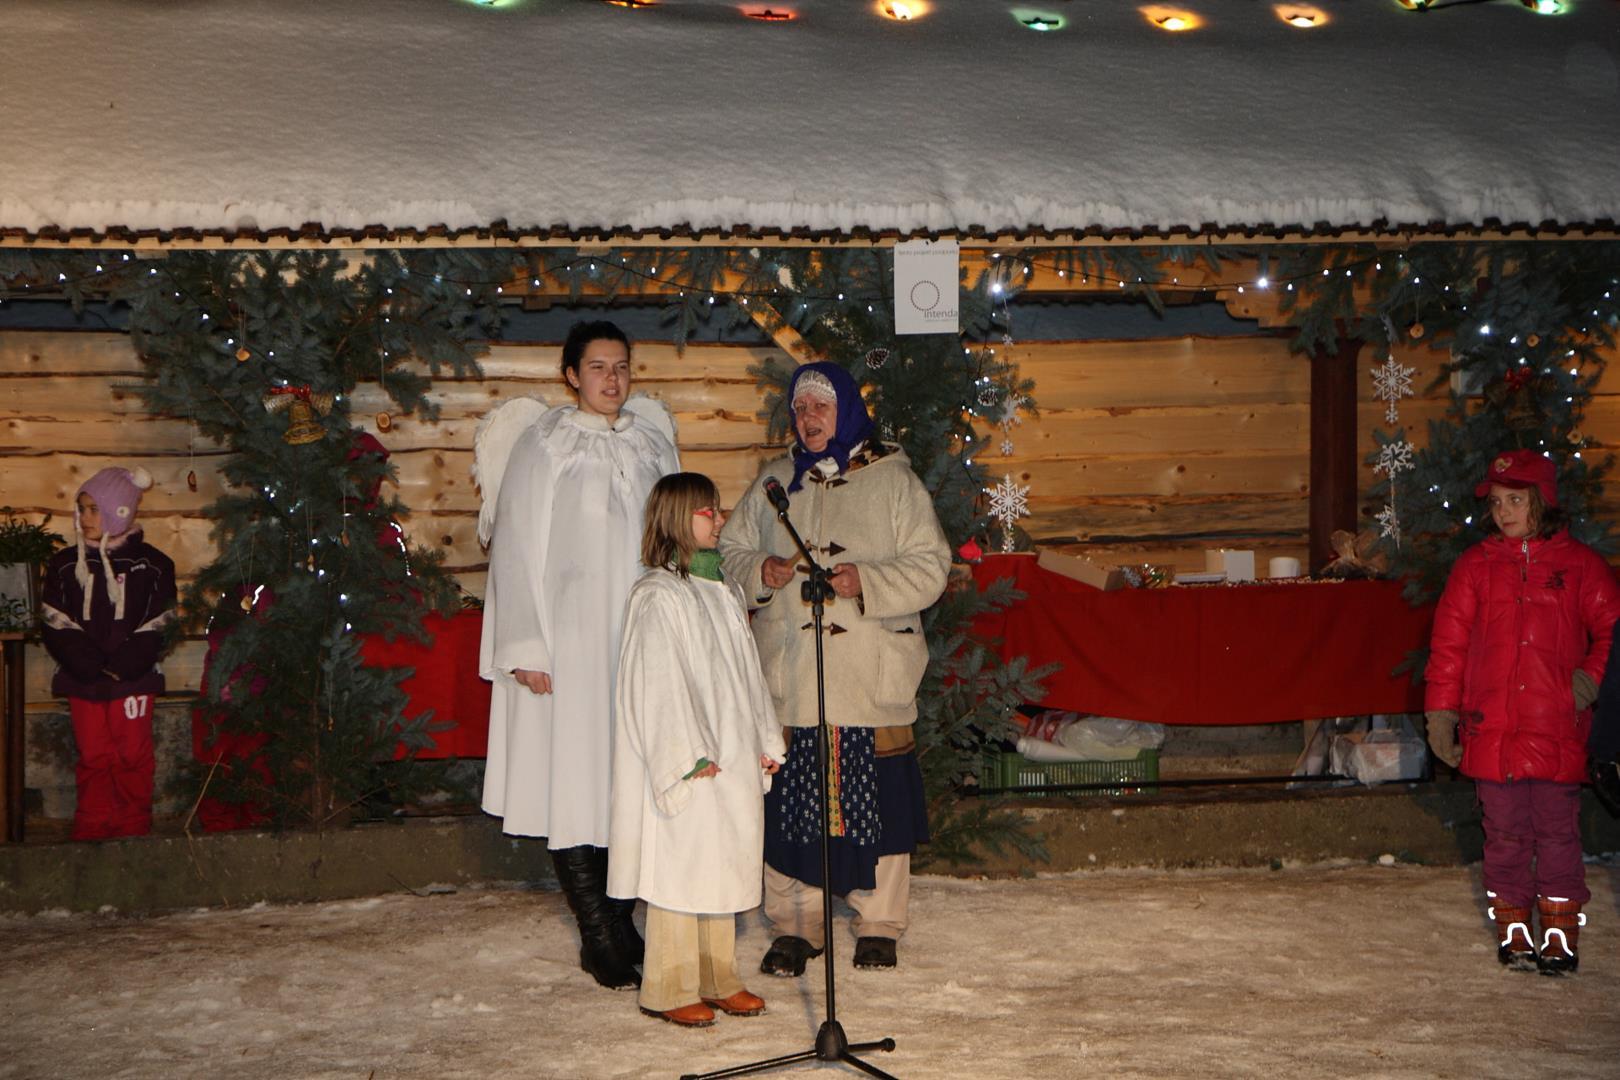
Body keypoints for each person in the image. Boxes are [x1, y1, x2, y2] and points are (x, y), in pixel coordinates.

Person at [718, 360, 950, 975]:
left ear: (845, 410)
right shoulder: (775, 483)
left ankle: (879, 922)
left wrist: (865, 580)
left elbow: (932, 566)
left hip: (870, 672)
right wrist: (760, 571)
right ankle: (797, 925)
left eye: (820, 406)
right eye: (800, 409)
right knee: (790, 800)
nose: (808, 418)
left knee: (881, 798)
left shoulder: (894, 481)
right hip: (791, 672)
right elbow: (729, 550)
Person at [477, 320, 679, 991]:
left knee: (628, 780)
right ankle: (598, 934)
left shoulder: (652, 443)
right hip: (569, 643)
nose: (611, 380)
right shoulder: (545, 444)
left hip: (639, 638)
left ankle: (621, 922)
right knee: (575, 780)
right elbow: (514, 545)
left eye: (621, 366)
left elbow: (676, 535)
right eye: (597, 367)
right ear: (571, 375)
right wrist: (525, 646)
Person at [1425, 448, 1620, 976]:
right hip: (1493, 731)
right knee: (1504, 835)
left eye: (1516, 501)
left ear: (1543, 500)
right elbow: (1448, 647)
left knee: (1557, 835)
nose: (1503, 512)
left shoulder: (1581, 567)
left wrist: (1588, 681)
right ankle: (1512, 926)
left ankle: (1559, 930)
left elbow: (1613, 631)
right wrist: (1441, 714)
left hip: (1556, 727)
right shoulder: (1475, 568)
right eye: (1496, 502)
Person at [607, 472, 788, 1027]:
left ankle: (718, 976)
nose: (719, 519)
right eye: (708, 511)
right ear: (676, 519)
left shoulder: (723, 588)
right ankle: (668, 985)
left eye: (717, 509)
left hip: (731, 751)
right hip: (691, 758)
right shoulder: (658, 595)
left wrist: (763, 738)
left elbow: (747, 673)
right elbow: (655, 682)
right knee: (683, 867)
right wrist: (686, 755)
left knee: (720, 863)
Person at [40, 466, 177, 841]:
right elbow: (54, 618)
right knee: (93, 755)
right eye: (81, 508)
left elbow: (162, 619)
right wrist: (87, 664)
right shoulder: (64, 565)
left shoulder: (154, 565)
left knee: (132, 755)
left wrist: (125, 664)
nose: (84, 517)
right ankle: (92, 827)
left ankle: (133, 826)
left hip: (133, 678)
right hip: (83, 679)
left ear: (119, 512)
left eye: (94, 509)